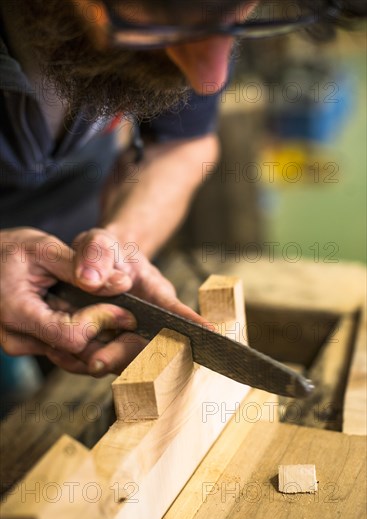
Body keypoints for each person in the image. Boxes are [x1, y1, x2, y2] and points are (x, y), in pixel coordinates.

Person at [0, 0, 365, 381]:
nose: (210, 79)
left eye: (236, 20)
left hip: (60, 282)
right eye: (169, 19)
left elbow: (182, 144)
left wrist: (120, 244)